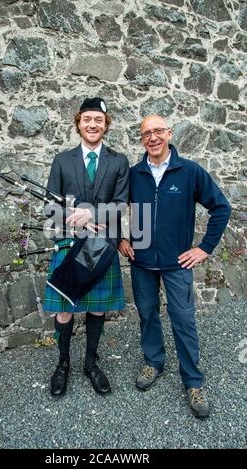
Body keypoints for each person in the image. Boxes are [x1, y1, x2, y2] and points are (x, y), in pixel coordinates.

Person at [119, 115, 231, 418]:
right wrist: (120, 239)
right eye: (146, 134)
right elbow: (113, 207)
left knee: (183, 320)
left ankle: (193, 381)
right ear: (141, 140)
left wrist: (204, 248)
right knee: (147, 314)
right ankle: (153, 361)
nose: (152, 137)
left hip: (177, 263)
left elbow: (221, 207)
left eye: (158, 131)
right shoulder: (134, 174)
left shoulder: (189, 171)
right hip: (141, 261)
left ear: (169, 134)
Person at [44, 97, 129, 397]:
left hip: (102, 246)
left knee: (97, 310)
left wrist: (93, 214)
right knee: (65, 310)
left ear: (106, 125)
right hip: (69, 243)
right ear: (78, 122)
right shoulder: (62, 160)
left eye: (99, 121)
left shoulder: (119, 162)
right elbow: (50, 207)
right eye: (87, 120)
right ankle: (63, 362)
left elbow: (120, 205)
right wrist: (74, 218)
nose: (93, 125)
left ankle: (90, 362)